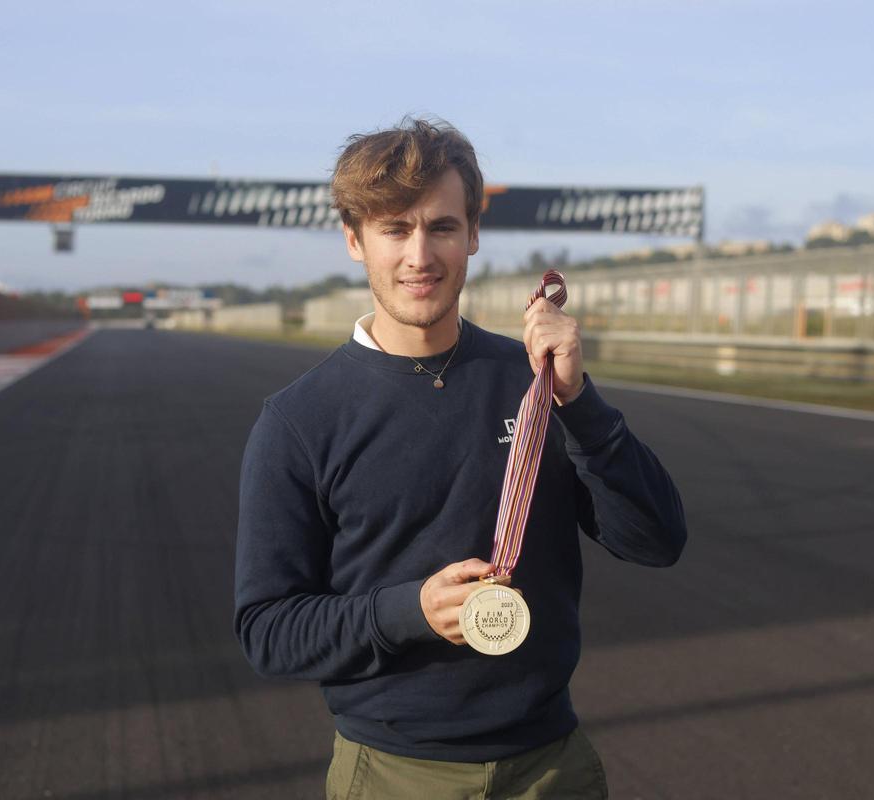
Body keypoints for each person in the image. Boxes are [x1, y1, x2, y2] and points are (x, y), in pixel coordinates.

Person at [234, 117, 687, 799]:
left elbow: (657, 541)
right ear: (355, 241)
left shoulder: (533, 382)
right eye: (395, 229)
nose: (420, 255)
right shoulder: (299, 420)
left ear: (473, 235)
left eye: (442, 227)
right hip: (393, 773)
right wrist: (408, 611)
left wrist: (580, 404)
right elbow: (268, 629)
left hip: (550, 765)